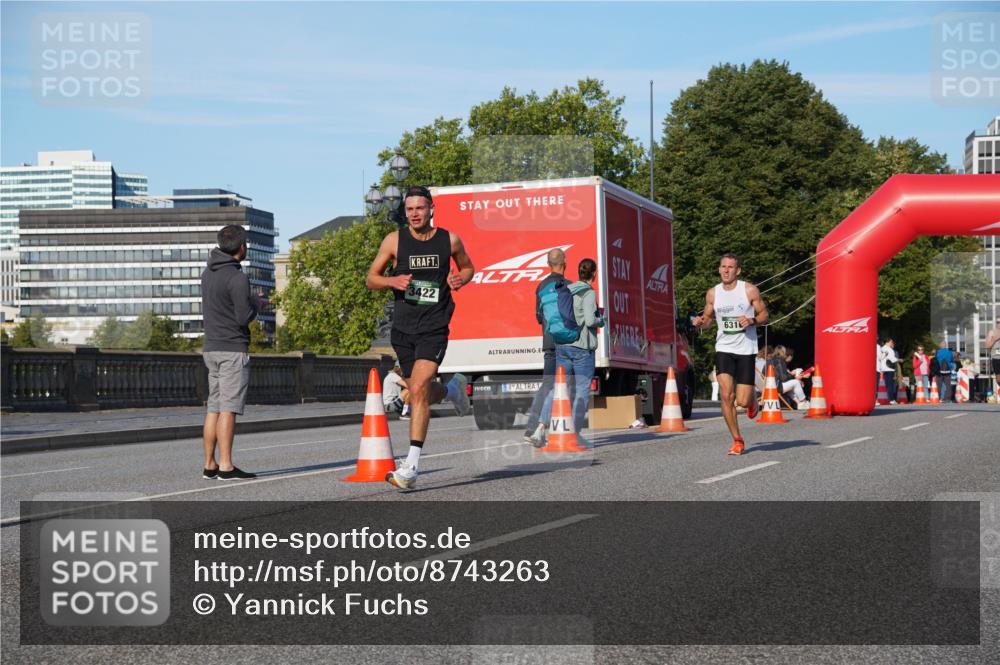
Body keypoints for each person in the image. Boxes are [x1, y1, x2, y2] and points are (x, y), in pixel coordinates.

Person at [366, 185, 475, 490]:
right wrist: (392, 281)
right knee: (419, 392)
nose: (414, 214)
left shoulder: (449, 240)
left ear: (431, 209)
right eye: (409, 209)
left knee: (417, 387)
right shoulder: (394, 240)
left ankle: (410, 467)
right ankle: (452, 390)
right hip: (403, 329)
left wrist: (460, 278)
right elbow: (371, 278)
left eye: (420, 208)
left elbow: (468, 267)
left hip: (435, 325)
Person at [200, 224, 262, 481]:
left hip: (211, 347)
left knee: (213, 408)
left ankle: (209, 464)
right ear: (242, 247)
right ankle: (226, 466)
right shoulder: (237, 277)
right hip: (232, 349)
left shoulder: (207, 273)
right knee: (229, 408)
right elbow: (242, 317)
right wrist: (256, 303)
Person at [691, 253, 769, 456]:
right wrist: (700, 323)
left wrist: (751, 321)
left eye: (730, 267)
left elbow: (764, 315)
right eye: (723, 267)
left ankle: (751, 401)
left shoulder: (749, 290)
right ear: (719, 269)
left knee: (742, 401)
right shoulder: (713, 293)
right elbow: (708, 320)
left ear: (738, 270)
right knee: (726, 395)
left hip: (746, 350)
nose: (726, 270)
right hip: (724, 348)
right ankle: (737, 440)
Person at [542, 257, 604, 440]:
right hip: (581, 348)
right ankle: (574, 433)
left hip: (563, 346)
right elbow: (590, 321)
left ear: (579, 272)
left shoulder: (568, 289)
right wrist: (602, 320)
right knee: (582, 391)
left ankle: (541, 425)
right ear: (594, 274)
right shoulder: (588, 293)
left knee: (559, 388)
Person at [523, 248, 568, 445]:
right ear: (564, 263)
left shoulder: (541, 287)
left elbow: (539, 317)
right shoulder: (569, 286)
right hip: (566, 343)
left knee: (547, 384)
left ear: (548, 264)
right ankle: (560, 430)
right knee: (567, 385)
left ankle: (531, 428)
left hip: (549, 342)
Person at [768, 345, 809, 410]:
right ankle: (804, 402)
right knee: (796, 382)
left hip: (767, 386)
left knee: (791, 385)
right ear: (783, 352)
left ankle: (799, 403)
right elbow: (784, 378)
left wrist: (790, 374)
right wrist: (793, 375)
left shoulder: (769, 360)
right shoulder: (780, 361)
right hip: (775, 386)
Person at [879, 337, 898, 404]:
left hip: (883, 368)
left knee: (887, 384)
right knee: (890, 384)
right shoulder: (889, 349)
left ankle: (888, 398)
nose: (892, 343)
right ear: (887, 342)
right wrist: (898, 360)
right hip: (889, 368)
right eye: (891, 342)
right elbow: (892, 359)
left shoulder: (882, 348)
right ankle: (891, 399)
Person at [986, 317, 1000, 400]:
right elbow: (987, 346)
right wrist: (994, 339)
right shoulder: (992, 332)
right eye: (998, 322)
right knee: (998, 379)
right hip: (996, 358)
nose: (999, 324)